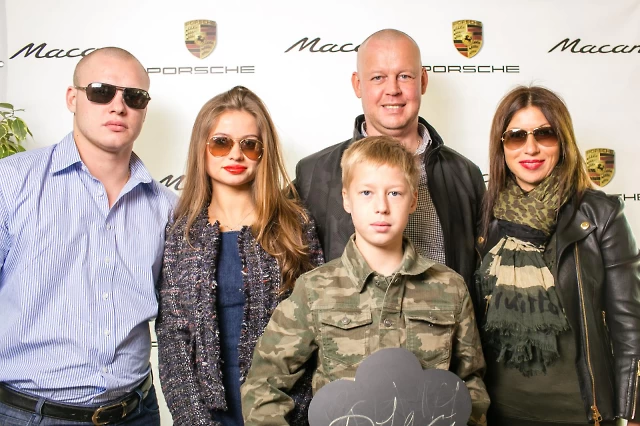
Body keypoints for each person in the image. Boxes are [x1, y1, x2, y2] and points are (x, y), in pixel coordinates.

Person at [242, 136, 489, 425]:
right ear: (346, 199)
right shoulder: (315, 290)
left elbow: (470, 387)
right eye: (366, 192)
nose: (381, 207)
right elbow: (264, 384)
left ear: (413, 200)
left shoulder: (450, 288)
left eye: (394, 193)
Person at [0, 47, 176, 425]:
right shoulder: (10, 183)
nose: (118, 106)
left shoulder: (168, 207)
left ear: (144, 109)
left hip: (136, 413)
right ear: (72, 98)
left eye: (134, 97)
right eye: (101, 91)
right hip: (27, 414)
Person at [155, 86, 324, 426]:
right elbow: (173, 337)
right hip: (207, 415)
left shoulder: (295, 224)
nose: (235, 155)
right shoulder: (182, 233)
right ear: (201, 149)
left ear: (263, 153)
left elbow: (317, 328)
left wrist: (290, 415)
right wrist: (194, 421)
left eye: (249, 144)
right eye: (221, 143)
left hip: (283, 413)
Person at [476, 85, 640, 426]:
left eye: (544, 134)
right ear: (501, 146)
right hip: (498, 413)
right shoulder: (484, 218)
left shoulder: (600, 216)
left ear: (562, 141)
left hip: (580, 413)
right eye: (516, 136)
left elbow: (629, 325)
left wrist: (630, 413)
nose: (531, 148)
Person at [294, 28, 485, 291]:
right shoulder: (313, 175)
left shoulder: (465, 175)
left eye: (404, 76)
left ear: (423, 81)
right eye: (378, 77)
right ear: (358, 84)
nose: (392, 90)